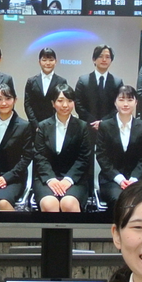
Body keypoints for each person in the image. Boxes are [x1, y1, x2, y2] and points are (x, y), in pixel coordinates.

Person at [32, 85, 91, 213]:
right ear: (53, 103)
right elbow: (40, 156)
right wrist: (51, 179)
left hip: (74, 178)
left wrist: (68, 179)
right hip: (47, 177)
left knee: (68, 204)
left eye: (69, 101)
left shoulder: (82, 127)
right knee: (49, 204)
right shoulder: (43, 126)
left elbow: (84, 158)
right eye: (60, 101)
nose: (65, 105)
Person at [97, 84, 142, 207]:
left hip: (138, 179)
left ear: (136, 102)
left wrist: (134, 179)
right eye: (121, 99)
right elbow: (102, 157)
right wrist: (119, 179)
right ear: (115, 102)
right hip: (111, 180)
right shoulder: (105, 126)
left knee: (141, 201)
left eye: (130, 100)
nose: (126, 104)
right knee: (121, 200)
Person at [75, 45, 122, 131]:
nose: (104, 60)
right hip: (86, 127)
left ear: (111, 60)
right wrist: (92, 121)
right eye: (100, 56)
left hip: (109, 127)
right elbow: (78, 104)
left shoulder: (117, 82)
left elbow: (118, 106)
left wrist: (103, 122)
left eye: (107, 57)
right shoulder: (83, 80)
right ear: (94, 59)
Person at [24, 47, 68, 124]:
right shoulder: (31, 81)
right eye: (44, 60)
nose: (48, 63)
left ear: (56, 61)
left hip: (55, 124)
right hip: (34, 125)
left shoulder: (61, 81)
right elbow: (28, 104)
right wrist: (35, 124)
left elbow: (62, 103)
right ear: (39, 62)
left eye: (51, 60)